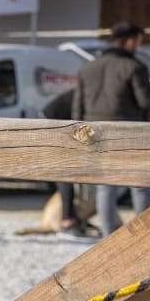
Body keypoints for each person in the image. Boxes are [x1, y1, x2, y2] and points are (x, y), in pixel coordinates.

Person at [73, 22, 150, 235]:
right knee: (139, 185)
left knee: (105, 187)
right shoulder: (134, 67)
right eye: (138, 42)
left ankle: (108, 234)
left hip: (95, 135)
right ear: (130, 41)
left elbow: (77, 109)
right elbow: (146, 101)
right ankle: (143, 233)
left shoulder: (87, 68)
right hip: (129, 134)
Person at [42, 88, 98, 239]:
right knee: (65, 175)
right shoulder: (87, 94)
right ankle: (67, 220)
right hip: (52, 124)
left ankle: (75, 217)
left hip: (57, 123)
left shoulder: (88, 91)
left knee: (68, 177)